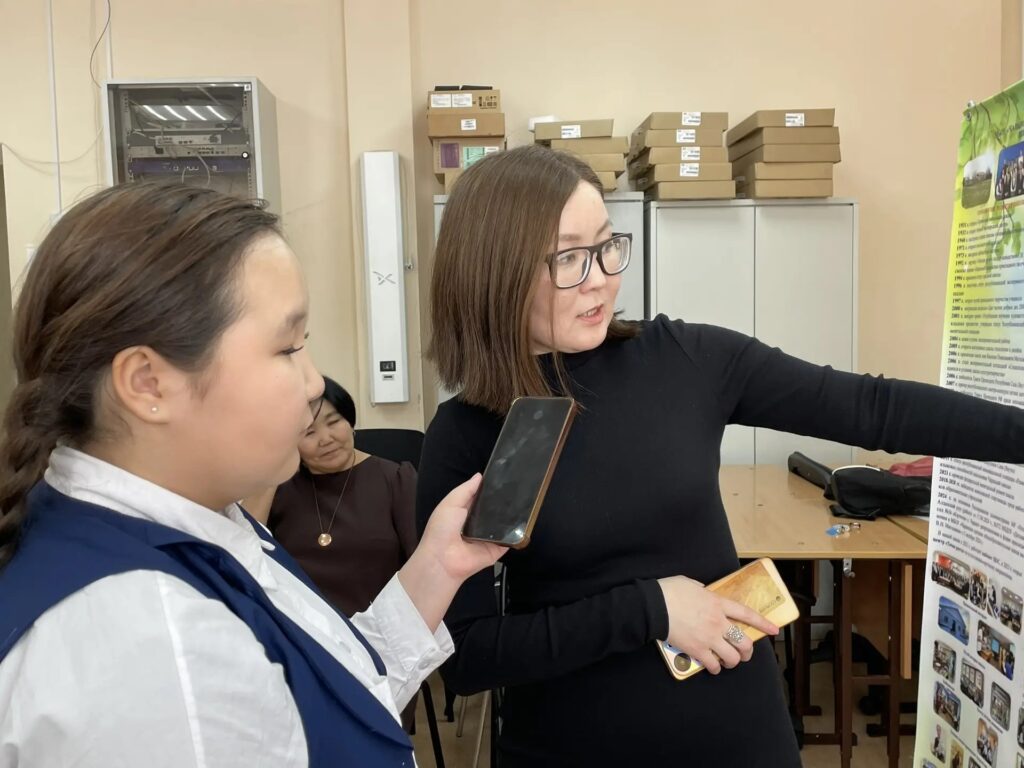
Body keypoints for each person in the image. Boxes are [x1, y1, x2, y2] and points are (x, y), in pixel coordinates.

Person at [415, 145, 1024, 767]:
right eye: (569, 257)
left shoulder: (684, 360)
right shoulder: (468, 432)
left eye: (606, 245)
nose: (600, 277)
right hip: (568, 744)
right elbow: (466, 656)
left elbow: (875, 408)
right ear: (496, 273)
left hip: (735, 733)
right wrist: (650, 609)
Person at [0, 182, 504, 767]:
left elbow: (321, 700)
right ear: (148, 383)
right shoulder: (154, 648)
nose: (313, 384)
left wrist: (437, 567)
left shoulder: (193, 523)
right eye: (287, 349)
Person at [245, 375, 421, 731]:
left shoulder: (395, 479)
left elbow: (422, 567)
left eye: (334, 421)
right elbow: (247, 548)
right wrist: (272, 468)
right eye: (308, 432)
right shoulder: (278, 487)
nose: (326, 438)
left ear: (350, 420)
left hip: (379, 644)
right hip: (300, 639)